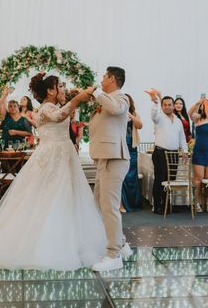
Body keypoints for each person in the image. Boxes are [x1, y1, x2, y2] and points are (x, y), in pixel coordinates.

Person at [0, 73, 104, 270]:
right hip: (52, 157)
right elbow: (59, 116)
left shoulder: (54, 105)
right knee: (50, 194)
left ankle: (71, 239)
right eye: (60, 86)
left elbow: (65, 114)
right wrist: (77, 99)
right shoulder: (45, 108)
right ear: (50, 91)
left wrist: (78, 100)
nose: (63, 89)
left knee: (69, 195)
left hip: (64, 153)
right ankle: (43, 243)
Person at [87, 66, 134, 271]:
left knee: (109, 206)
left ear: (113, 79)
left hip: (115, 158)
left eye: (104, 76)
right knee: (100, 202)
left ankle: (114, 254)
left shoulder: (121, 98)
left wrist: (96, 93)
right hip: (104, 158)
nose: (101, 79)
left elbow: (116, 109)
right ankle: (122, 244)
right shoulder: (106, 99)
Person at [148, 91, 188, 215]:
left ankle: (167, 204)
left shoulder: (178, 120)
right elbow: (154, 115)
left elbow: (182, 138)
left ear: (173, 106)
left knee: (171, 180)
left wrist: (185, 151)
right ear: (162, 106)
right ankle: (157, 206)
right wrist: (155, 102)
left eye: (169, 104)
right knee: (160, 179)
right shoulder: (159, 117)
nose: (167, 106)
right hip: (160, 153)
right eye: (164, 105)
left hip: (174, 154)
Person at [120, 93, 143, 213]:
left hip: (132, 148)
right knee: (122, 176)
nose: (126, 103)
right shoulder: (117, 114)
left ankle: (134, 203)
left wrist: (130, 115)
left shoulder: (134, 114)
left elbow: (140, 125)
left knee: (132, 176)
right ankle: (121, 204)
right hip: (120, 149)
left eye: (127, 101)